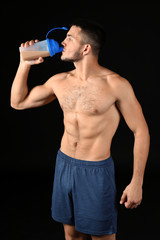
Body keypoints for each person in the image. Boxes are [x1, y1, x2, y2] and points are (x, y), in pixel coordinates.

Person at [10, 19, 150, 240]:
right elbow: (18, 102)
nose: (62, 42)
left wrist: (137, 182)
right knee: (72, 235)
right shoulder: (60, 81)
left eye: (69, 38)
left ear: (86, 48)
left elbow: (141, 131)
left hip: (95, 171)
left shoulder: (115, 84)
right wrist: (24, 63)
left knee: (101, 236)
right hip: (64, 164)